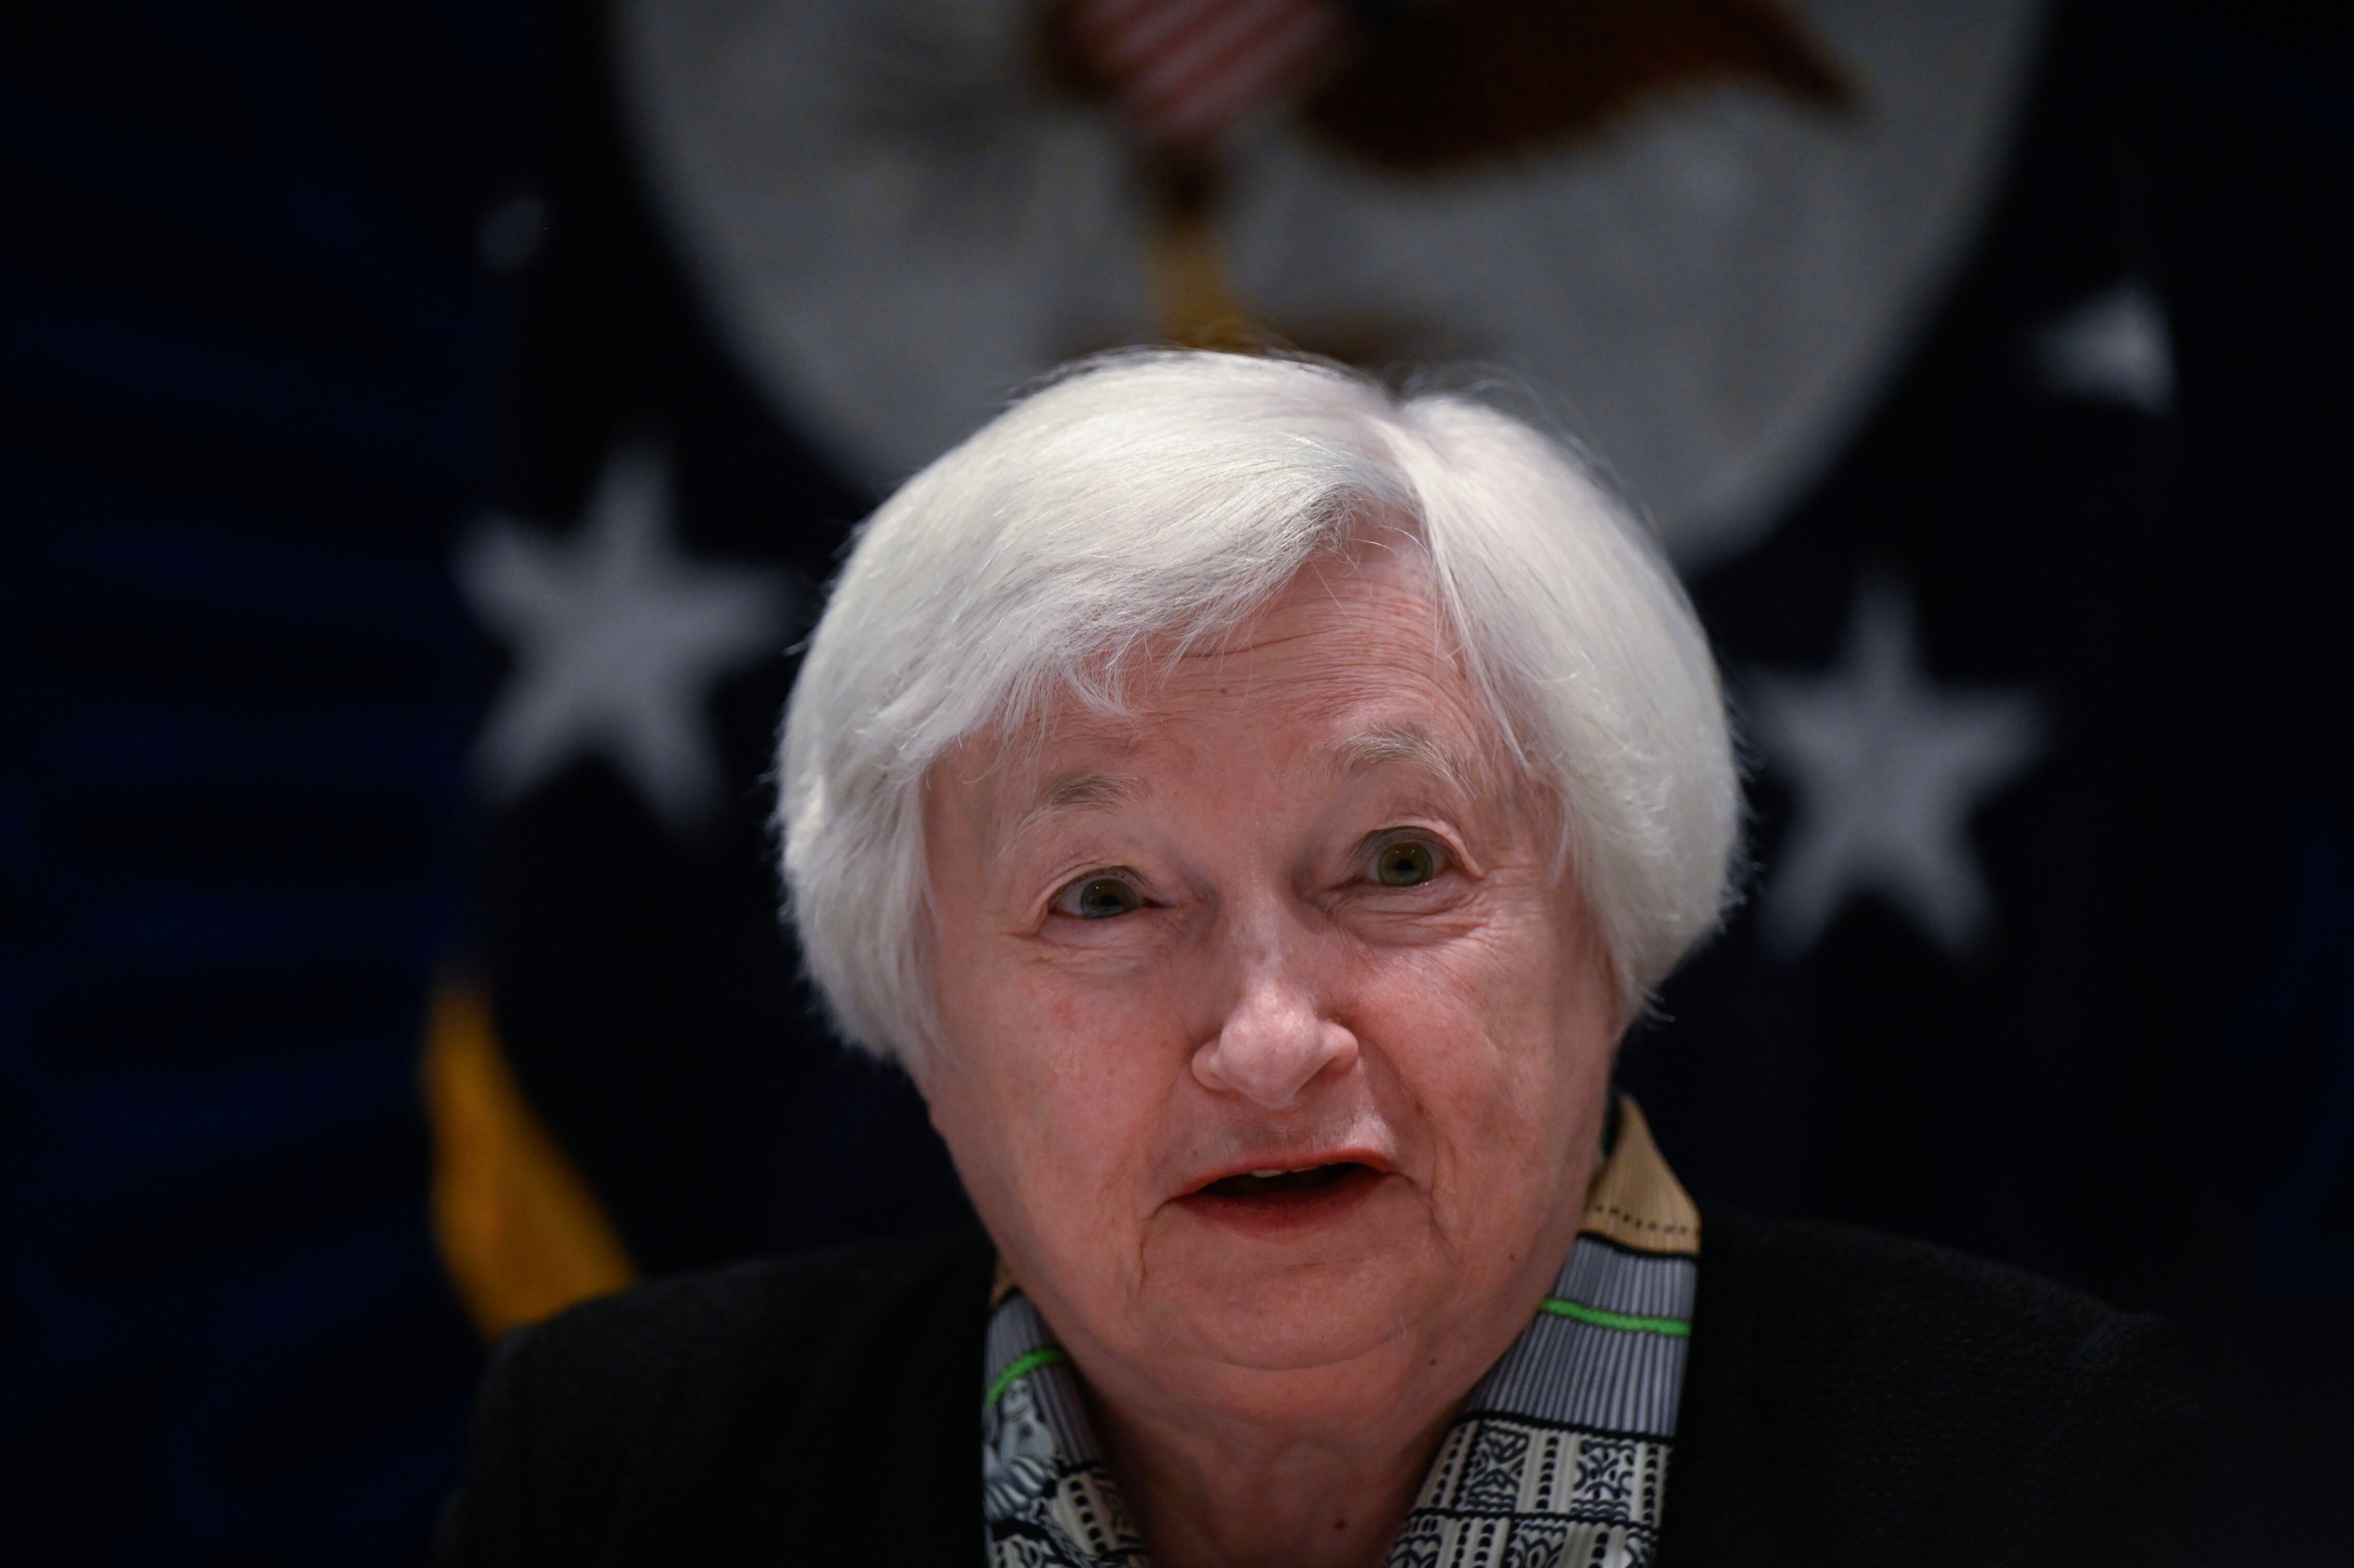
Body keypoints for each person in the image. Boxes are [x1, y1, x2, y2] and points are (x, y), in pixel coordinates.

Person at [434, 352, 2203, 1567]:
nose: (1271, 1041)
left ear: (1612, 924)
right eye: (1104, 898)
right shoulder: (623, 1477)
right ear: (922, 1015)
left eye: (1399, 865)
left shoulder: (2018, 1479)